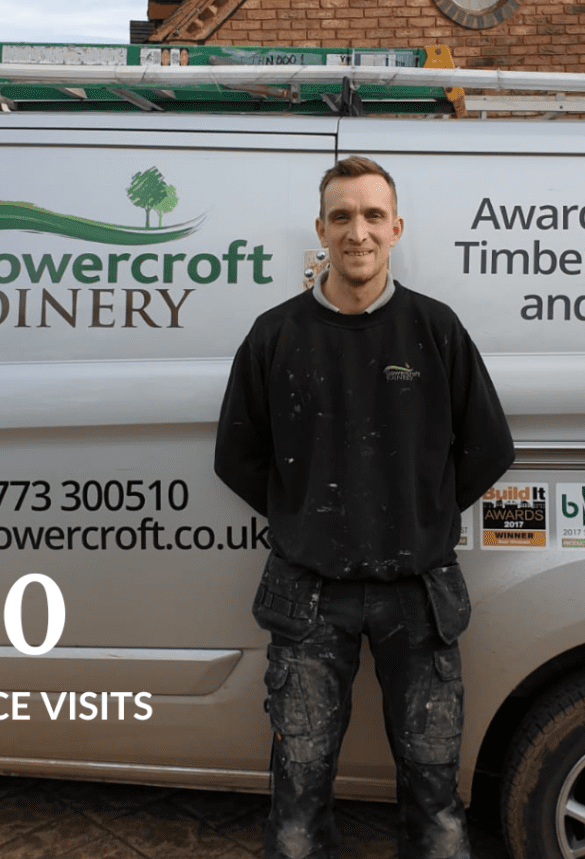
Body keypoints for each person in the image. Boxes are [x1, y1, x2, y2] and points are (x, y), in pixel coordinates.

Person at [215, 156, 515, 859]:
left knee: (438, 811)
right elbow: (236, 456)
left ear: (396, 228)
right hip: (307, 593)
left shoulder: (435, 331)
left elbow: (488, 447)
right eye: (342, 216)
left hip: (418, 590)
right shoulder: (275, 336)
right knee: (295, 813)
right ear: (320, 229)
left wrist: (418, 512)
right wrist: (303, 515)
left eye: (373, 215)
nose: (358, 232)